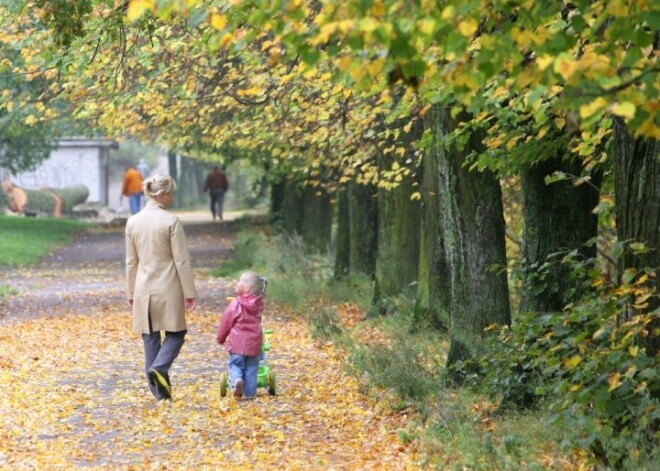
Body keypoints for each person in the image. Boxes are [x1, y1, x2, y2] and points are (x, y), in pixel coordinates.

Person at [125, 174, 197, 402]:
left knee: (151, 337)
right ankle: (160, 368)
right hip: (169, 287)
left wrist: (130, 292)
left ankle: (160, 395)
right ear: (162, 194)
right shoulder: (171, 221)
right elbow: (181, 261)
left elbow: (131, 262)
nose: (172, 198)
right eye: (171, 194)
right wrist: (189, 292)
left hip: (143, 288)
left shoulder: (133, 221)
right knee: (177, 333)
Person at [216, 271, 267, 399]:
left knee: (235, 365)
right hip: (254, 345)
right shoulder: (258, 305)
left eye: (239, 281)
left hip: (238, 345)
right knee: (251, 368)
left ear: (247, 288)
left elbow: (226, 323)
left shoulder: (235, 304)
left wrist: (220, 338)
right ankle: (249, 394)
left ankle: (237, 380)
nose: (236, 283)